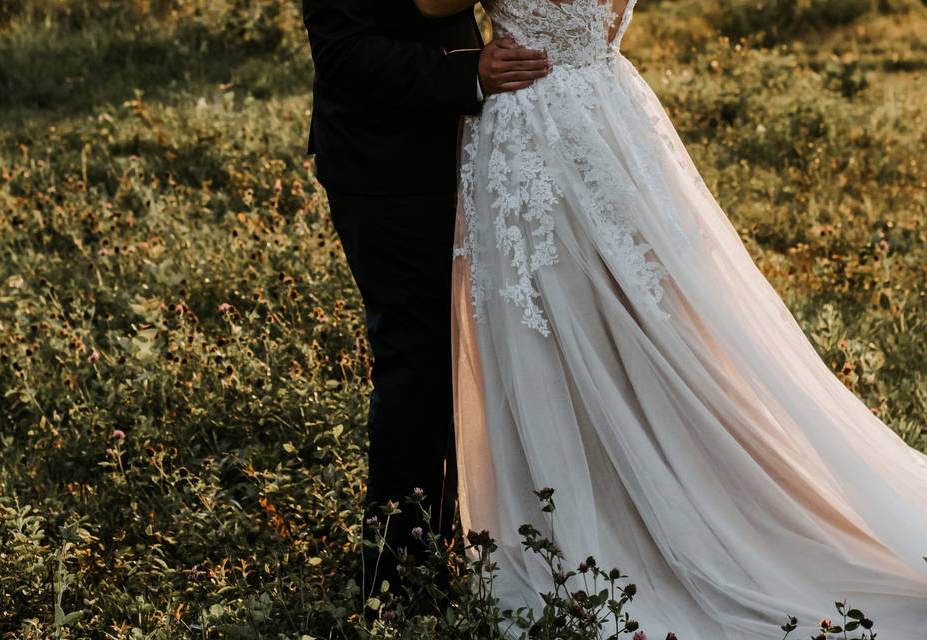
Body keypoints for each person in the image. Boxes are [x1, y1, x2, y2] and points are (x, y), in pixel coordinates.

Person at [404, 0, 927, 637]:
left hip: (537, 127)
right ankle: (678, 503)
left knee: (560, 337)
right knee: (651, 323)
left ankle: (609, 524)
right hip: (612, 113)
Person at [300, 0, 550, 594]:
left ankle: (452, 541)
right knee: (413, 356)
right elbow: (343, 53)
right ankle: (392, 576)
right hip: (382, 167)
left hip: (467, 148)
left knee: (461, 348)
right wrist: (468, 75)